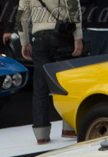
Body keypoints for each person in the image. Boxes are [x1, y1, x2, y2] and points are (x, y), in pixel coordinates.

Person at [19, 0, 84, 143]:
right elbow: (73, 7)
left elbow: (21, 15)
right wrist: (78, 37)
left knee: (41, 86)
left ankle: (41, 134)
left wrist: (24, 42)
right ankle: (69, 127)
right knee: (66, 83)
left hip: (39, 37)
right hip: (62, 33)